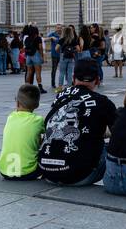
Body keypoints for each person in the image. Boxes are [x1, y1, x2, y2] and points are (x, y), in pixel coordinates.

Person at [38, 58, 118, 186]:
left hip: (47, 171)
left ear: (73, 78)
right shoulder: (102, 102)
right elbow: (119, 133)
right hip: (80, 175)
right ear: (97, 79)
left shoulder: (61, 96)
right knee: (112, 145)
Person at [0, 84, 44, 180]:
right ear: (37, 105)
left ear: (17, 103)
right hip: (29, 172)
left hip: (5, 171)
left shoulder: (10, 117)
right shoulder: (38, 120)